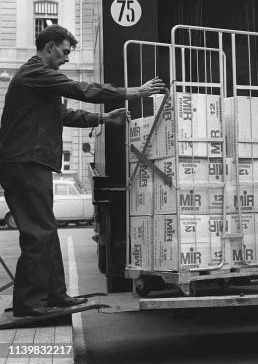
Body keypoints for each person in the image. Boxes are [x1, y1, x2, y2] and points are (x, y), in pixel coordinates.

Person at [0, 25, 165, 317]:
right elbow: (81, 89)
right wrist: (132, 92)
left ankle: (55, 295)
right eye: (64, 52)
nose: (66, 59)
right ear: (49, 47)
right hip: (23, 162)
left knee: (46, 231)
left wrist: (102, 118)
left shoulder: (40, 81)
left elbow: (65, 115)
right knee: (38, 233)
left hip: (30, 162)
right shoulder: (34, 73)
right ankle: (29, 303)